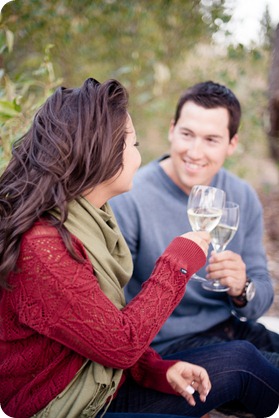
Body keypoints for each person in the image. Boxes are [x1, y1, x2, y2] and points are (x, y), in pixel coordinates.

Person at [0, 78, 278, 418]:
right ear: (102, 151)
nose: (138, 156)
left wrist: (157, 370)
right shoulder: (44, 245)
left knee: (246, 360)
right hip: (68, 401)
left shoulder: (88, 220)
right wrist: (179, 259)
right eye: (133, 144)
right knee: (245, 366)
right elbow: (120, 341)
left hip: (106, 376)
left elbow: (97, 324)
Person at [110, 81, 279, 364]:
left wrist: (242, 287)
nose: (195, 152)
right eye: (187, 134)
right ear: (172, 130)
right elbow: (114, 309)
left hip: (230, 329)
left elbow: (260, 295)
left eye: (211, 139)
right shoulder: (131, 196)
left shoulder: (242, 196)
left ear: (232, 144)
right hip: (166, 345)